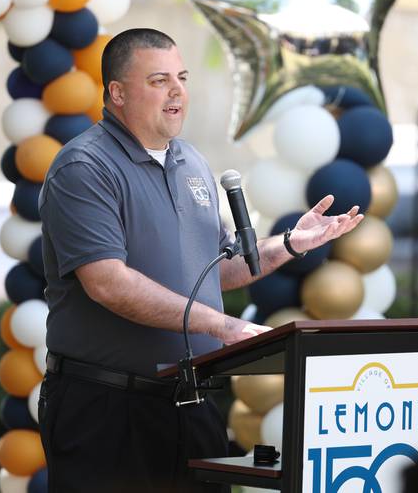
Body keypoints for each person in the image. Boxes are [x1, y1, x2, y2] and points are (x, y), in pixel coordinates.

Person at [37, 28, 363, 493]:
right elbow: (106, 282)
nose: (177, 91)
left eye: (182, 77)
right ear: (117, 92)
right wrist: (221, 326)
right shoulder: (85, 168)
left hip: (191, 406)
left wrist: (289, 244)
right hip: (106, 407)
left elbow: (217, 268)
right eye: (158, 80)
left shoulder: (191, 162)